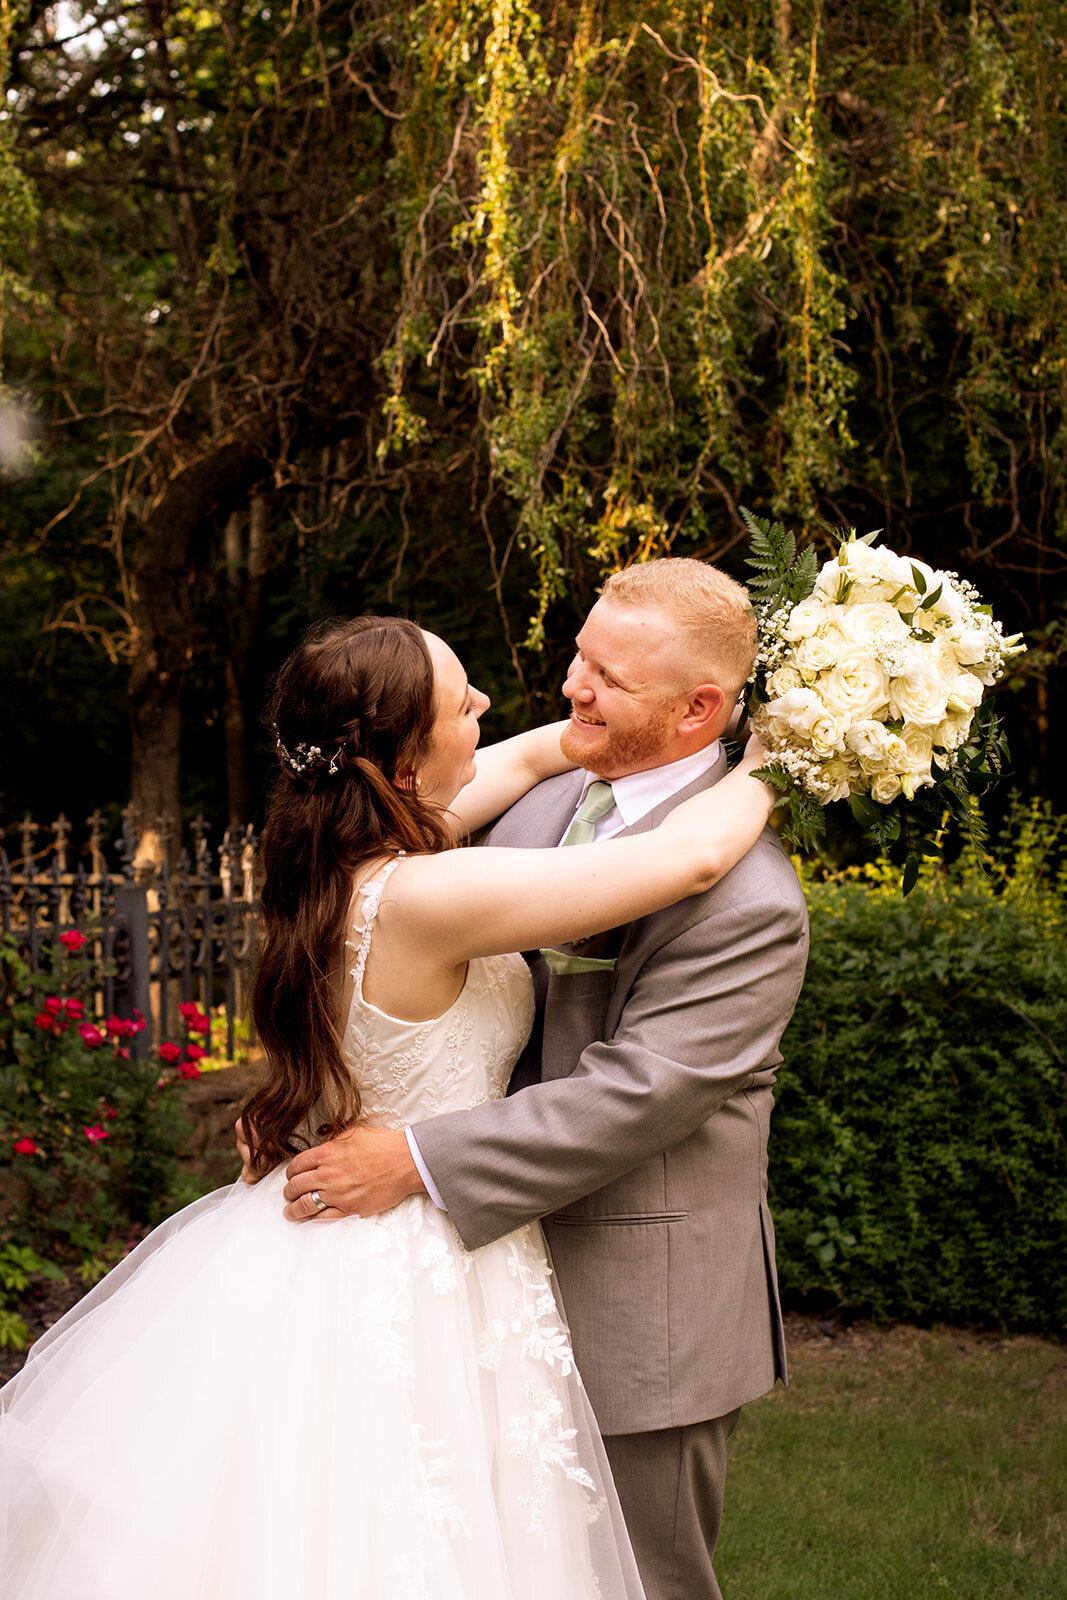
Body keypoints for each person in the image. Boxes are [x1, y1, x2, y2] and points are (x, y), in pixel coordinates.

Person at [0, 610, 780, 1600]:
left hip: (324, 1239)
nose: (487, 711)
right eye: (463, 703)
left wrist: (597, 721)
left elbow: (530, 750)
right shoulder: (429, 894)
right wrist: (777, 754)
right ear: (405, 765)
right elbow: (690, 862)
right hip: (415, 1252)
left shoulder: (335, 856)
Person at [275, 563, 810, 1600]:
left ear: (699, 706)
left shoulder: (752, 896)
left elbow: (640, 1090)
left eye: (604, 673)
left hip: (634, 1305)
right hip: (445, 1287)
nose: (568, 687)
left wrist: (415, 1153)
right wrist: (771, 757)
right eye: (578, 656)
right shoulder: (508, 816)